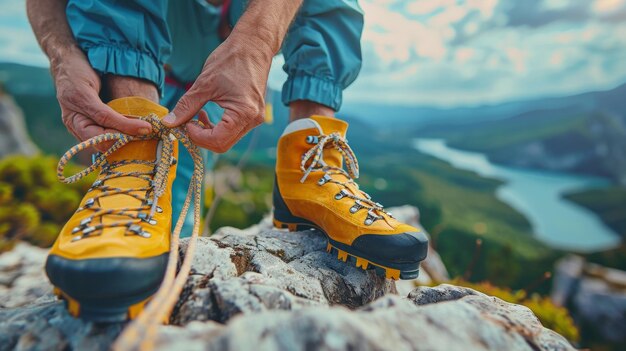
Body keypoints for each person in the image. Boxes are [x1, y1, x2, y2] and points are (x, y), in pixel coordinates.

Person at [27, 0, 428, 322]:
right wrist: (61, 52)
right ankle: (134, 164)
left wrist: (255, 43)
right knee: (171, 235)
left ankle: (310, 166)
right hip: (140, 82)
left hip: (226, 71)